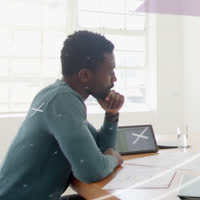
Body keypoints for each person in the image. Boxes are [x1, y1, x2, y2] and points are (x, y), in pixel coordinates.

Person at [0, 31, 125, 200]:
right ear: (85, 75)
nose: (114, 79)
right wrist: (113, 159)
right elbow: (91, 171)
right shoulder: (62, 100)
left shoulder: (54, 94)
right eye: (110, 72)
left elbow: (101, 149)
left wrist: (111, 115)